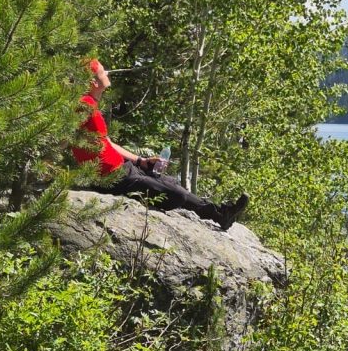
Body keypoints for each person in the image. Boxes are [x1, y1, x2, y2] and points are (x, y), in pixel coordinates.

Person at [72, 59, 249, 231]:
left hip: (123, 168)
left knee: (170, 181)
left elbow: (107, 143)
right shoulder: (84, 104)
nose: (107, 72)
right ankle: (218, 214)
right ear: (93, 82)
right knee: (176, 195)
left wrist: (140, 161)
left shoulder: (91, 104)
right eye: (102, 71)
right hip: (113, 180)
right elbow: (65, 137)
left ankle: (220, 214)